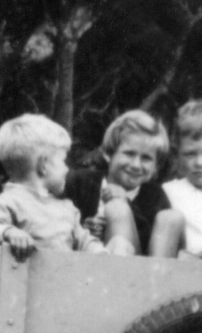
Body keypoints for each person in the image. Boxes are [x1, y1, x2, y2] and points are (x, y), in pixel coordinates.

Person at [0, 113, 135, 255]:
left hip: (63, 286)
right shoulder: (10, 201)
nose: (66, 169)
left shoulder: (66, 208)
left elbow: (84, 240)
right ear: (44, 165)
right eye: (63, 161)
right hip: (24, 287)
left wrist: (99, 252)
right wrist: (8, 232)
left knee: (121, 246)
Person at [64, 109, 172, 256]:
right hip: (81, 265)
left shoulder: (155, 196)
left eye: (146, 158)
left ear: (155, 166)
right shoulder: (80, 182)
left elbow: (152, 247)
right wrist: (83, 228)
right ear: (108, 154)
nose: (136, 165)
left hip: (134, 272)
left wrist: (127, 205)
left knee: (117, 208)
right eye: (129, 154)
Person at [151, 100, 202, 258]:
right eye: (190, 154)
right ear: (177, 154)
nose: (200, 163)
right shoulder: (168, 192)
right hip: (179, 273)